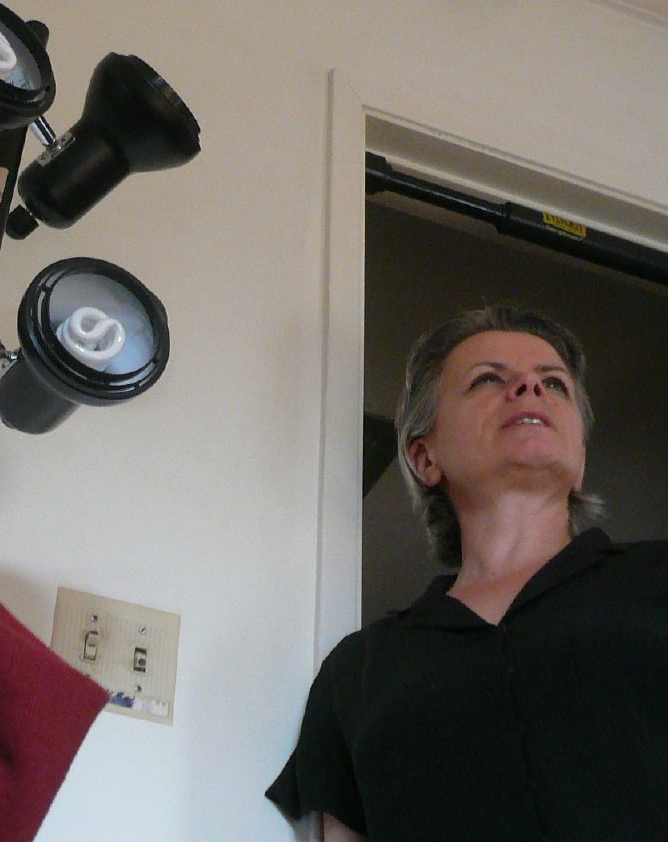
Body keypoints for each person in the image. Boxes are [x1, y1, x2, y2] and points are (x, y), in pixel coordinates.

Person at [266, 303, 668, 841]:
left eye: (554, 382)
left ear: (580, 459)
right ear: (424, 458)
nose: (530, 387)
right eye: (487, 379)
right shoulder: (359, 673)